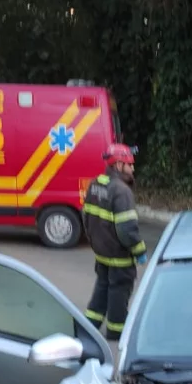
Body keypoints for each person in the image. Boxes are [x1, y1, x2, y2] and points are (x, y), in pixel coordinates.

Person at [82, 143, 147, 341]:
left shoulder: (95, 185)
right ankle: (116, 331)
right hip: (120, 258)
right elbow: (127, 229)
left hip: (102, 254)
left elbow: (86, 217)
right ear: (118, 165)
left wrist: (94, 241)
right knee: (119, 294)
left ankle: (90, 325)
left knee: (101, 289)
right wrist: (139, 251)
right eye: (129, 164)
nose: (133, 168)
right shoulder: (121, 192)